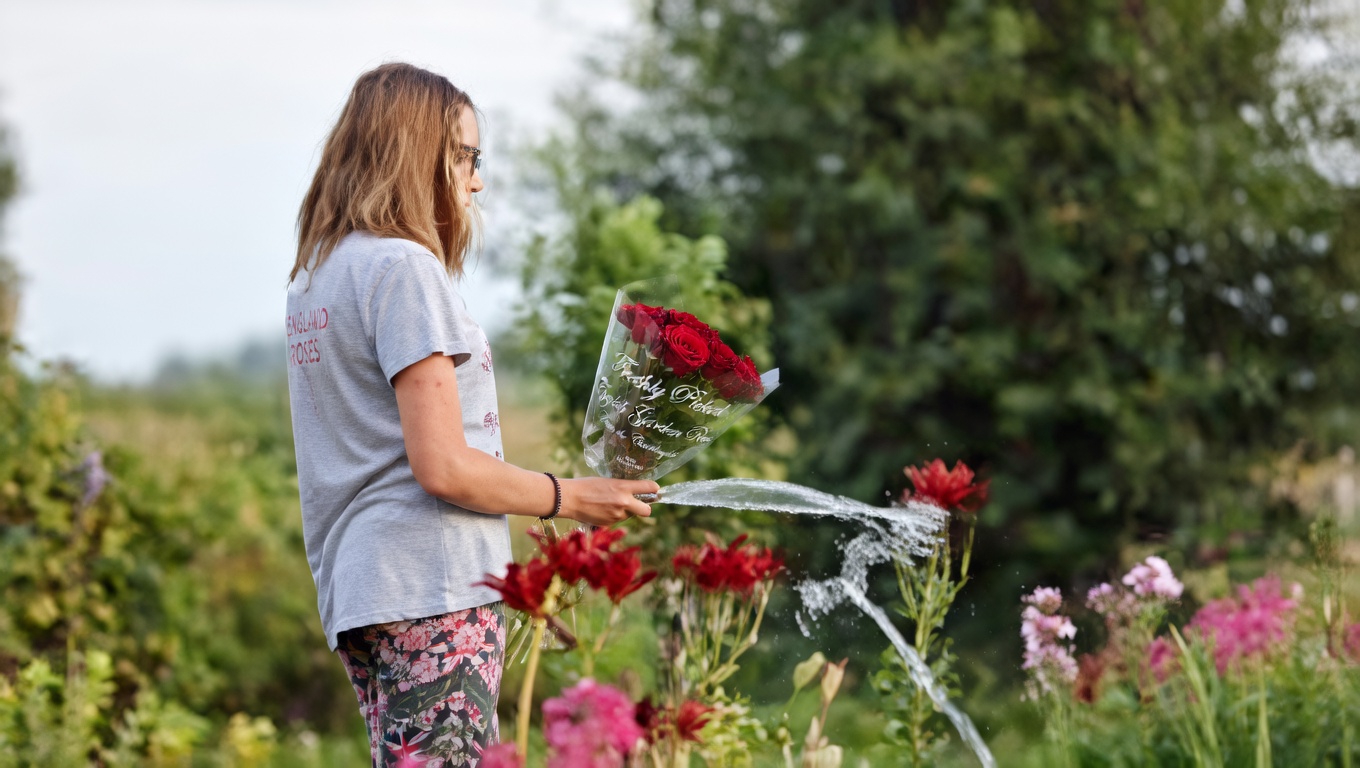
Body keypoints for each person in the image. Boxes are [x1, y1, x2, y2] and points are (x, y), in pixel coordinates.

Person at [286, 62, 658, 767]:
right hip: (432, 584)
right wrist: (570, 497)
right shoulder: (403, 269)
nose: (475, 179)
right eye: (464, 155)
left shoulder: (319, 276)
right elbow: (444, 466)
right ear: (414, 151)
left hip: (365, 589)